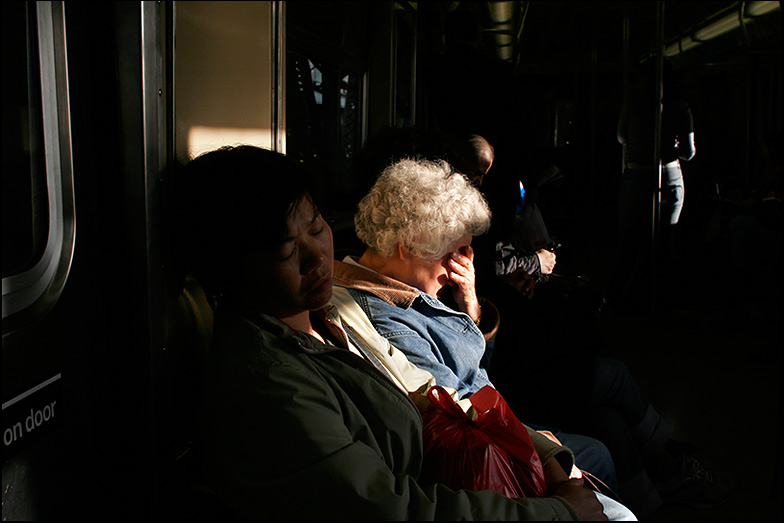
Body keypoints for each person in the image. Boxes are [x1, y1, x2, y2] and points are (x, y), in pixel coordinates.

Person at [174, 144, 619, 520]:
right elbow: (390, 507)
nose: (318, 258)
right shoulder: (268, 385)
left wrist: (545, 454)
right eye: (288, 251)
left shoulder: (329, 315)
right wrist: (560, 512)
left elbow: (431, 392)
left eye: (317, 228)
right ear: (233, 270)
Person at [336, 156, 737, 517]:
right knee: (598, 443)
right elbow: (459, 413)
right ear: (407, 247)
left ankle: (660, 495)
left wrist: (470, 300)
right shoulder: (384, 318)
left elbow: (475, 366)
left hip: (498, 418)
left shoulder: (412, 287)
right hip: (487, 443)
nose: (463, 263)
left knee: (607, 422)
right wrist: (541, 445)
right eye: (455, 251)